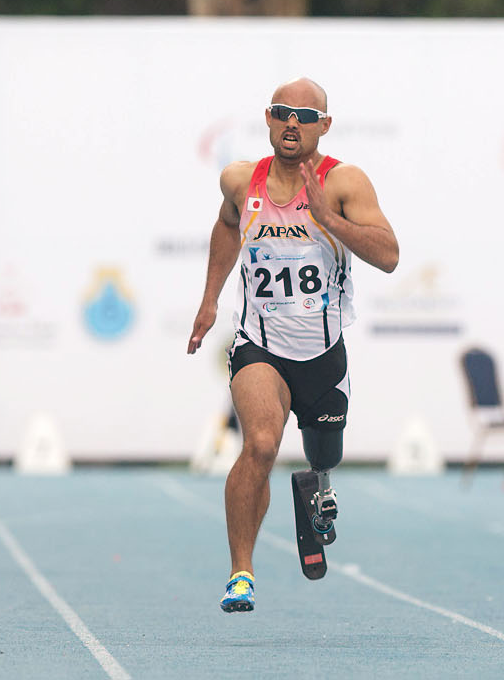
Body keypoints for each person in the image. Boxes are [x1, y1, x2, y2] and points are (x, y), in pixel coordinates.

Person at [187, 78, 399, 613]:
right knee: (259, 444)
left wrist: (329, 220)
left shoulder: (345, 182)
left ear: (323, 126)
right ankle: (241, 573)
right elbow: (227, 229)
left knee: (325, 452)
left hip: (323, 353)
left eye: (305, 116)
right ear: (267, 117)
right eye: (283, 113)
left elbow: (390, 254)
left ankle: (318, 484)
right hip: (260, 344)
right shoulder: (240, 179)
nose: (292, 123)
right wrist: (210, 300)